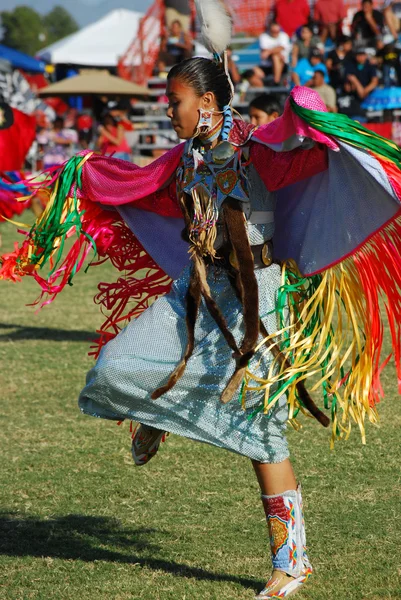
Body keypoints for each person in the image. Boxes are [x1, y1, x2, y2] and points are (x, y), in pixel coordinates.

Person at [3, 8, 401, 600]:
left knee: (262, 437)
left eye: (176, 102)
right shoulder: (185, 158)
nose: (168, 111)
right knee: (113, 368)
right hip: (197, 293)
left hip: (259, 301)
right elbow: (135, 185)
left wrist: (305, 108)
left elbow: (311, 150)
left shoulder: (258, 150)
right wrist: (86, 174)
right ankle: (157, 415)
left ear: (209, 105)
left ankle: (292, 562)